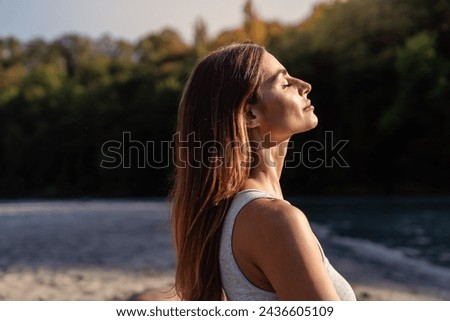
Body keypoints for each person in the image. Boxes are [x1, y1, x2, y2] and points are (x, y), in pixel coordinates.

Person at [171, 42, 356, 301]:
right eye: (284, 83)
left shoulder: (226, 215)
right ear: (249, 114)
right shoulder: (275, 221)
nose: (304, 85)